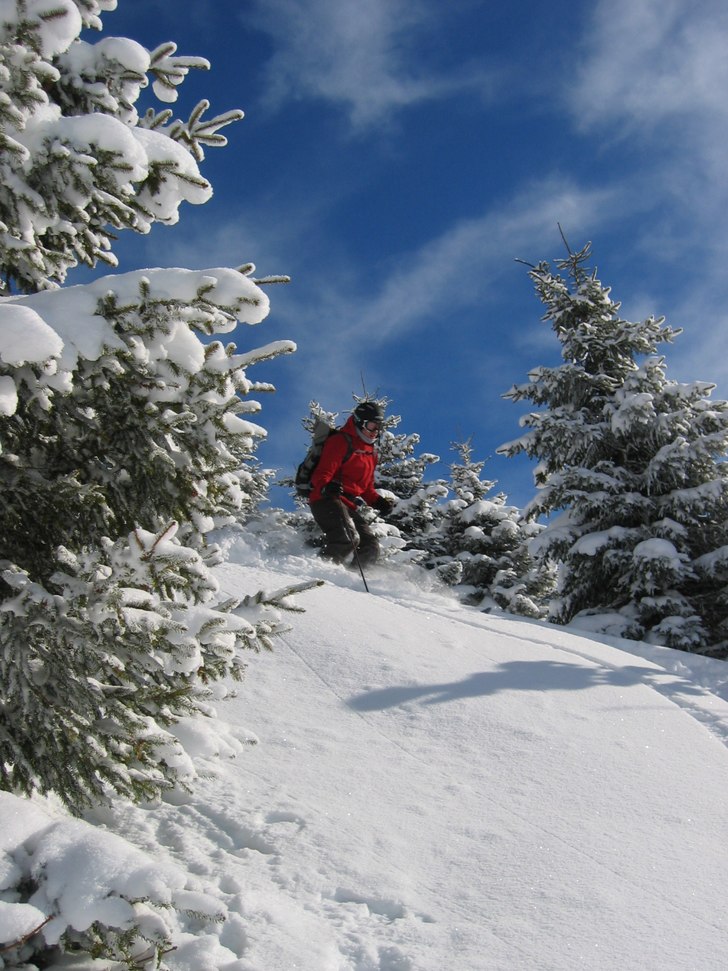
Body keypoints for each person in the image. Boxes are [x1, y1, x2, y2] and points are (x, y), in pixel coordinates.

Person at [308, 401, 394, 567]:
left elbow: (366, 487)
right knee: (347, 538)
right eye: (371, 426)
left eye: (378, 427)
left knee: (370, 547)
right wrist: (327, 486)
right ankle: (317, 571)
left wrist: (378, 502)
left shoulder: (371, 453)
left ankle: (352, 584)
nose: (375, 432)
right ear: (359, 422)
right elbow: (322, 472)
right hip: (325, 498)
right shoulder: (341, 441)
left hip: (347, 504)